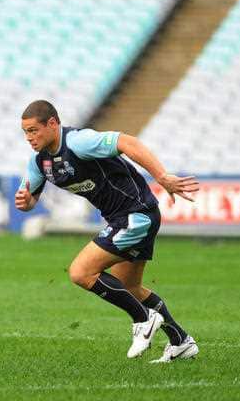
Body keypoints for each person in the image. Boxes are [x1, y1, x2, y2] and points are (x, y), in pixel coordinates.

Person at [15, 100, 199, 362]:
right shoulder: (39, 162)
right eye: (25, 132)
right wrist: (25, 203)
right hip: (125, 217)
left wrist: (161, 176)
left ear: (53, 124)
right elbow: (29, 199)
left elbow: (128, 142)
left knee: (81, 272)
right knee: (129, 287)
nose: (29, 138)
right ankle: (180, 340)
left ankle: (143, 319)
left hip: (136, 215)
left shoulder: (79, 142)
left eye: (34, 130)